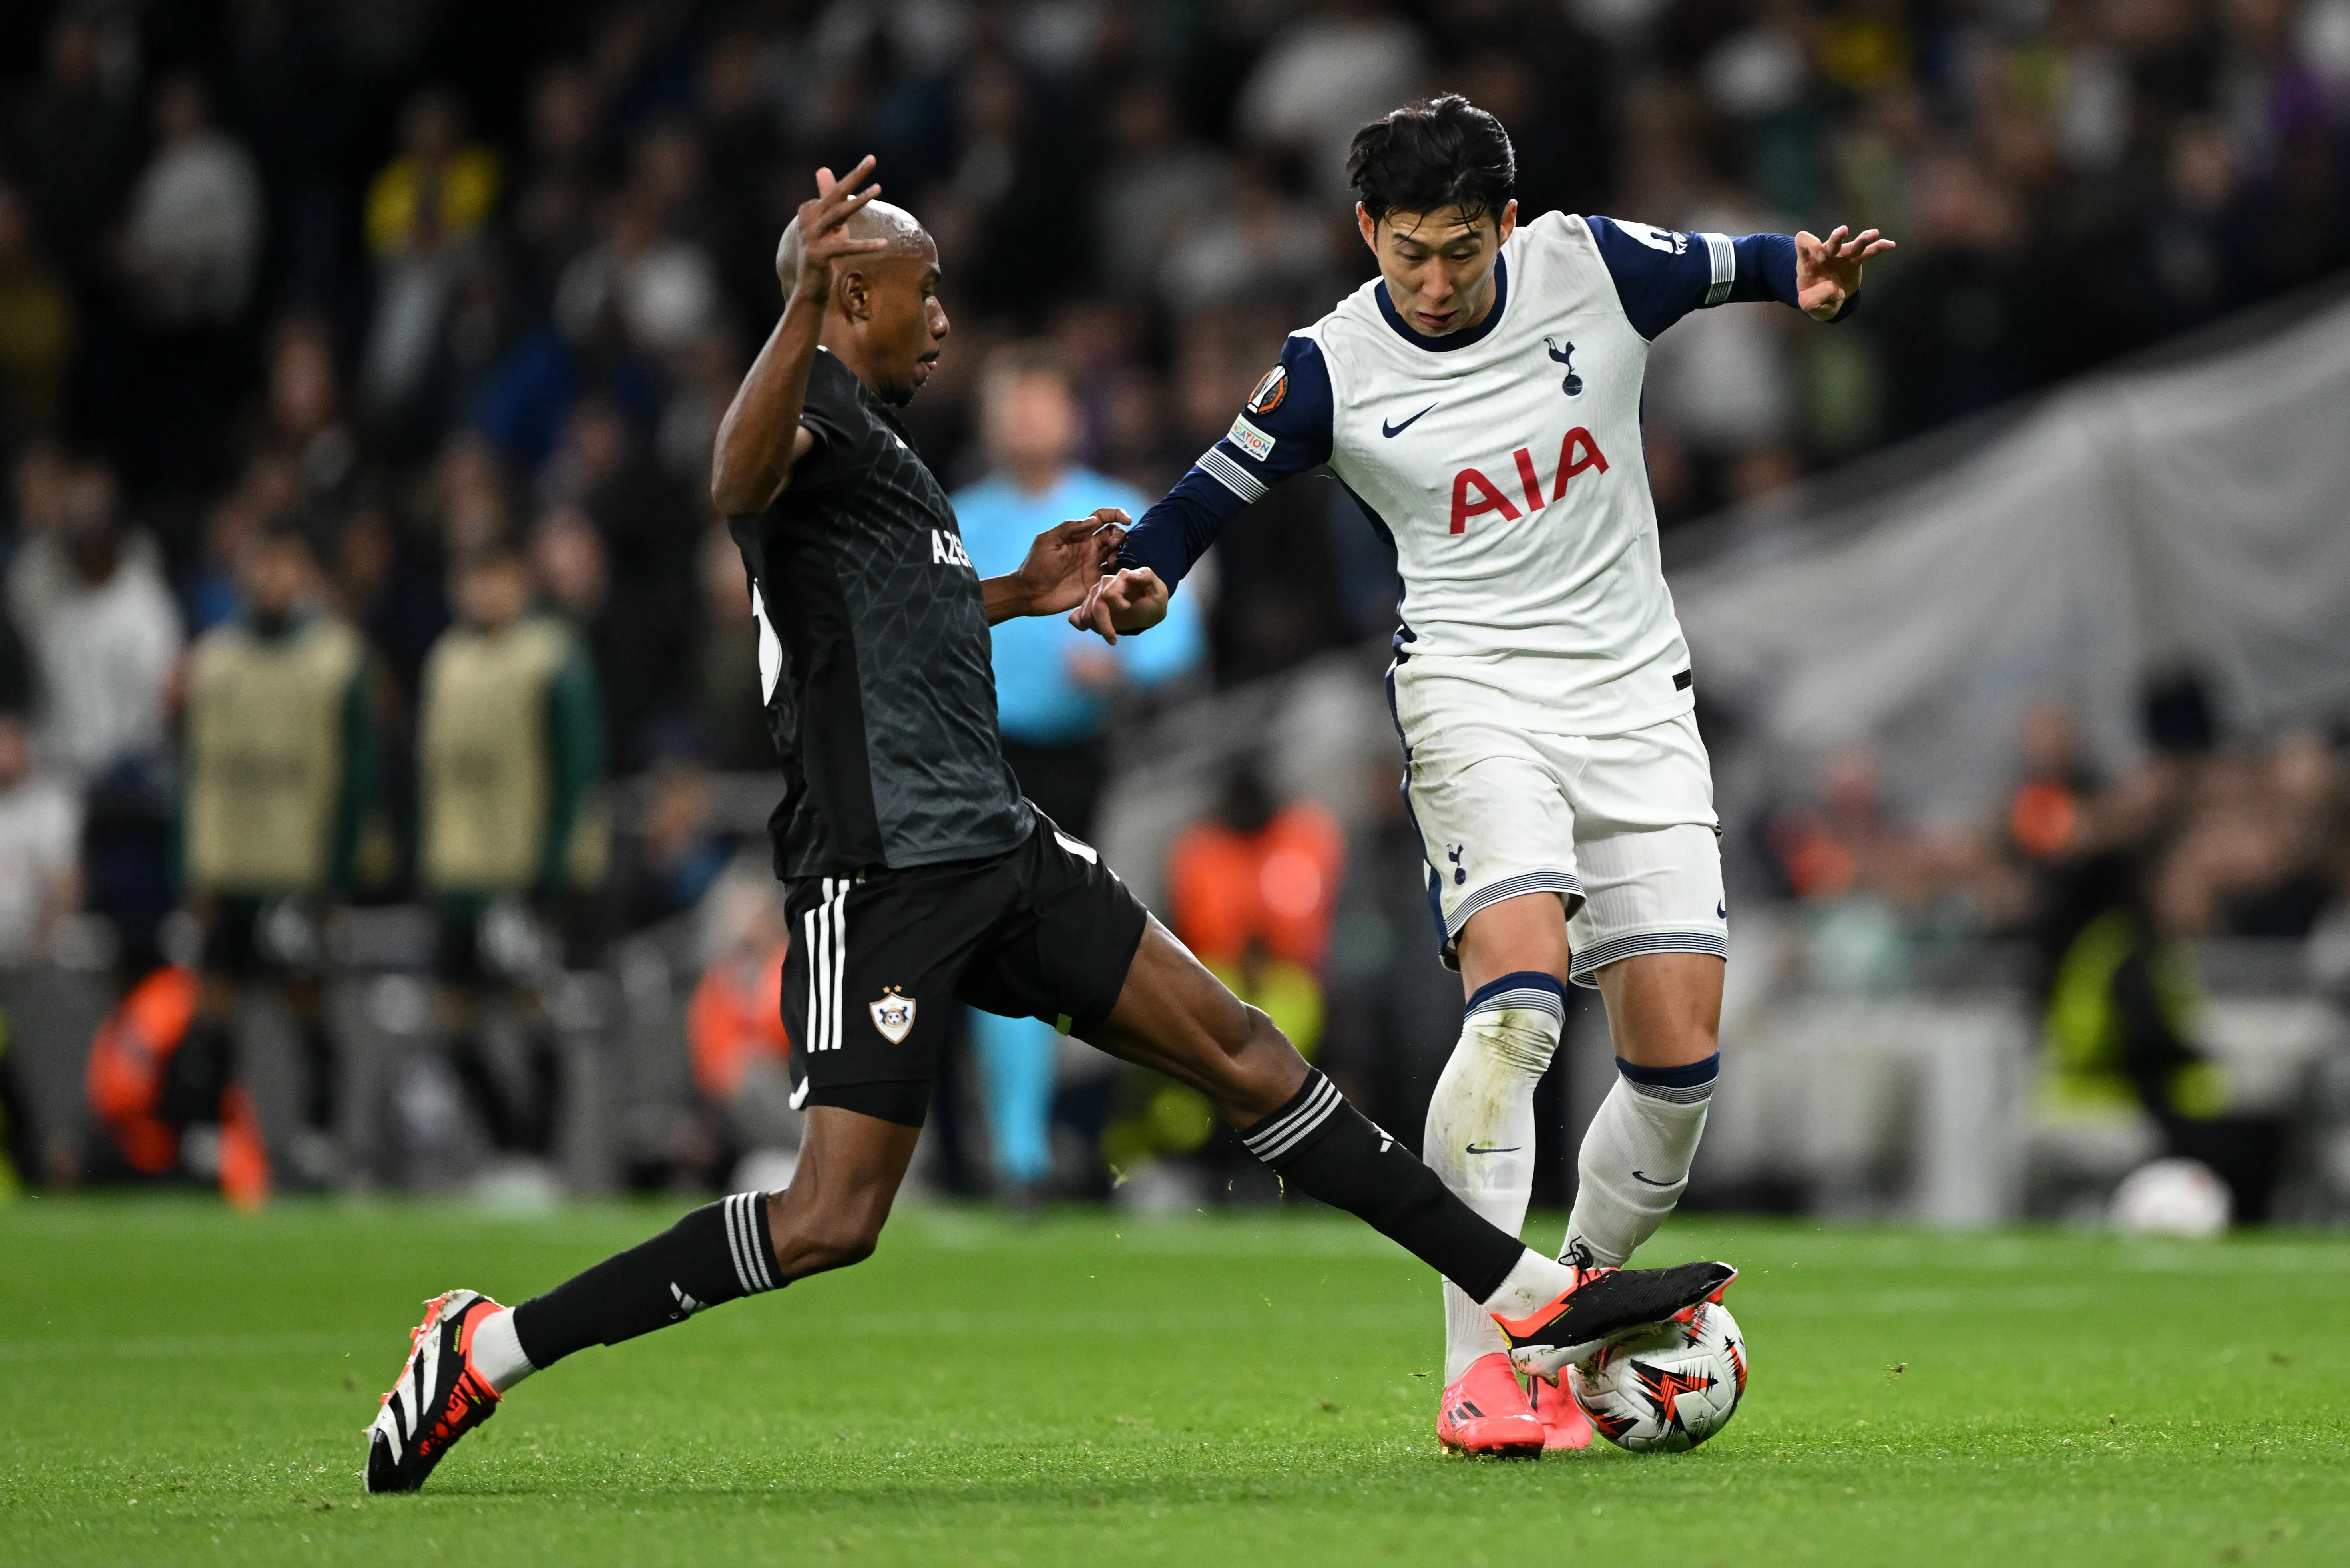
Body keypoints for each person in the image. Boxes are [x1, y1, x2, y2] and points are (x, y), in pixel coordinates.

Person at [364, 158, 1732, 1493]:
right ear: (848, 298)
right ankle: (488, 1345)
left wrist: (1015, 592)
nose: (941, 315)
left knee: (1247, 1055)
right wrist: (792, 307)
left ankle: (1524, 1293)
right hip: (879, 876)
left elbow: (883, 627)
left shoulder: (881, 451)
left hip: (998, 847)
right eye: (920, 290)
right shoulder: (808, 417)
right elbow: (732, 478)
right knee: (830, 1217)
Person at [1075, 95, 1890, 1457]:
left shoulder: (1590, 265)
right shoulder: (1330, 364)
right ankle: (1476, 1372)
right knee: (1516, 1009)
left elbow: (1740, 262)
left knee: (1677, 1076)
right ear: (1365, 233)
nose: (1436, 281)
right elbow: (1204, 495)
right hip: (1472, 696)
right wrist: (1145, 574)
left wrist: (1804, 277)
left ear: (1505, 223)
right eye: (1408, 252)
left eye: (1461, 249)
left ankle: (1562, 1316)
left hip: (1633, 700)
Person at [950, 343, 1204, 1206]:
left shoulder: (1113, 512)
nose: (1026, 421)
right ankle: (1017, 1150)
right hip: (980, 756)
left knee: (1067, 948)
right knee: (999, 943)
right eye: (1011, 404)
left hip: (1085, 764)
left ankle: (1055, 1141)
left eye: (1041, 403)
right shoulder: (959, 518)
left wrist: (1123, 661)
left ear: (1071, 415)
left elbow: (1176, 633)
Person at [179, 520, 376, 1191]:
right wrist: (192, 864)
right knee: (213, 1009)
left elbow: (356, 775)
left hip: (298, 868)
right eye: (263, 566)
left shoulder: (335, 659)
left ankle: (319, 1145)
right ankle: (206, 1145)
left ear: (307, 576)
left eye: (286, 566)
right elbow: (193, 770)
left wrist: (338, 874)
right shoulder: (214, 660)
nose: (273, 580)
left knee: (306, 1008)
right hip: (229, 864)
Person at [415, 544, 605, 1162]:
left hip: (523, 870)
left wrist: (552, 867)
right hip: (458, 869)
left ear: (519, 582)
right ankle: (504, 1147)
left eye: (494, 578)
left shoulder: (551, 657)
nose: (483, 593)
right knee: (452, 1016)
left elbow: (576, 765)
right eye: (472, 579)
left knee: (532, 1009)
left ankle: (538, 1152)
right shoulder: (447, 659)